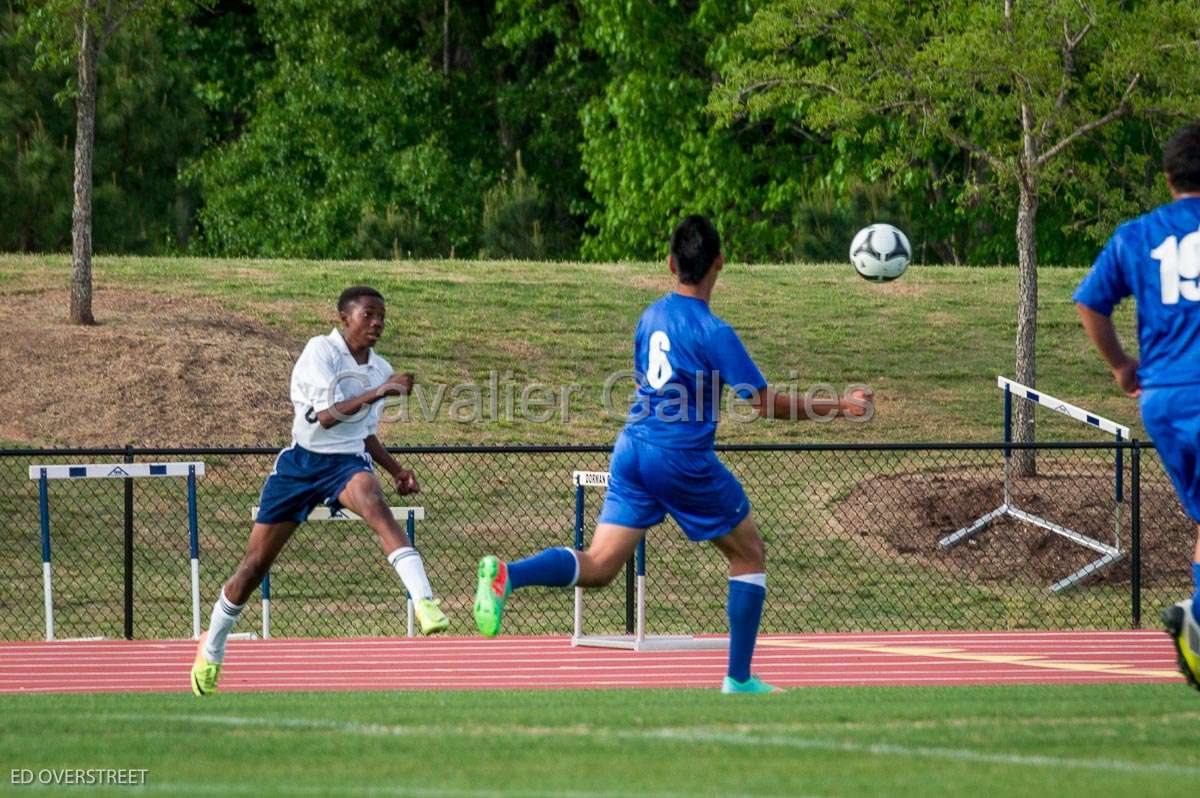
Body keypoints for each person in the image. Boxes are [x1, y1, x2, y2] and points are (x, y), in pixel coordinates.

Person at [471, 215, 873, 694]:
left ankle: (508, 576)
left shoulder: (650, 316)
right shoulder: (714, 331)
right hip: (679, 456)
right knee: (749, 553)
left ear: (670, 264)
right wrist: (842, 406)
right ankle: (739, 679)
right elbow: (765, 405)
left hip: (632, 449)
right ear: (720, 263)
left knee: (599, 567)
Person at [190, 285, 448, 696]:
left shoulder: (380, 368)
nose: (378, 322)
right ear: (345, 318)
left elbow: (363, 434)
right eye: (368, 315)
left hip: (345, 463)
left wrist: (397, 469)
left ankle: (425, 602)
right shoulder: (320, 352)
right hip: (302, 463)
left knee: (377, 507)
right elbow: (327, 417)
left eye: (382, 316)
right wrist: (381, 390)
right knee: (253, 568)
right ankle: (213, 646)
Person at [1074, 122, 1200, 692]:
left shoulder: (1137, 234)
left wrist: (1123, 366)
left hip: (1166, 399)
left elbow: (1090, 302)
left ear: (1170, 178)